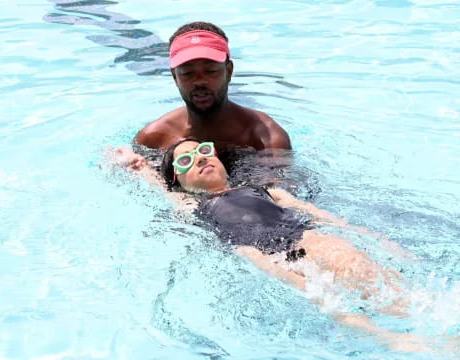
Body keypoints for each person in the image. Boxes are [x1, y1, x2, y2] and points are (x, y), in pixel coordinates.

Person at [123, 137, 460, 353]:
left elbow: (327, 219)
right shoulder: (192, 205)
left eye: (203, 150)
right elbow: (159, 187)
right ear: (180, 182)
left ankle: (432, 320)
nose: (198, 158)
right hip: (262, 256)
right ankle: (396, 341)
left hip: (306, 237)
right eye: (185, 162)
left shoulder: (264, 190)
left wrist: (379, 240)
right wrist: (136, 165)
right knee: (325, 301)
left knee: (364, 271)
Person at [116, 21, 291, 169]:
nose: (200, 81)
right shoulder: (154, 138)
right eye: (187, 73)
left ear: (228, 71)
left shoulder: (264, 138)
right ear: (175, 77)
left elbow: (282, 199)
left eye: (210, 71)